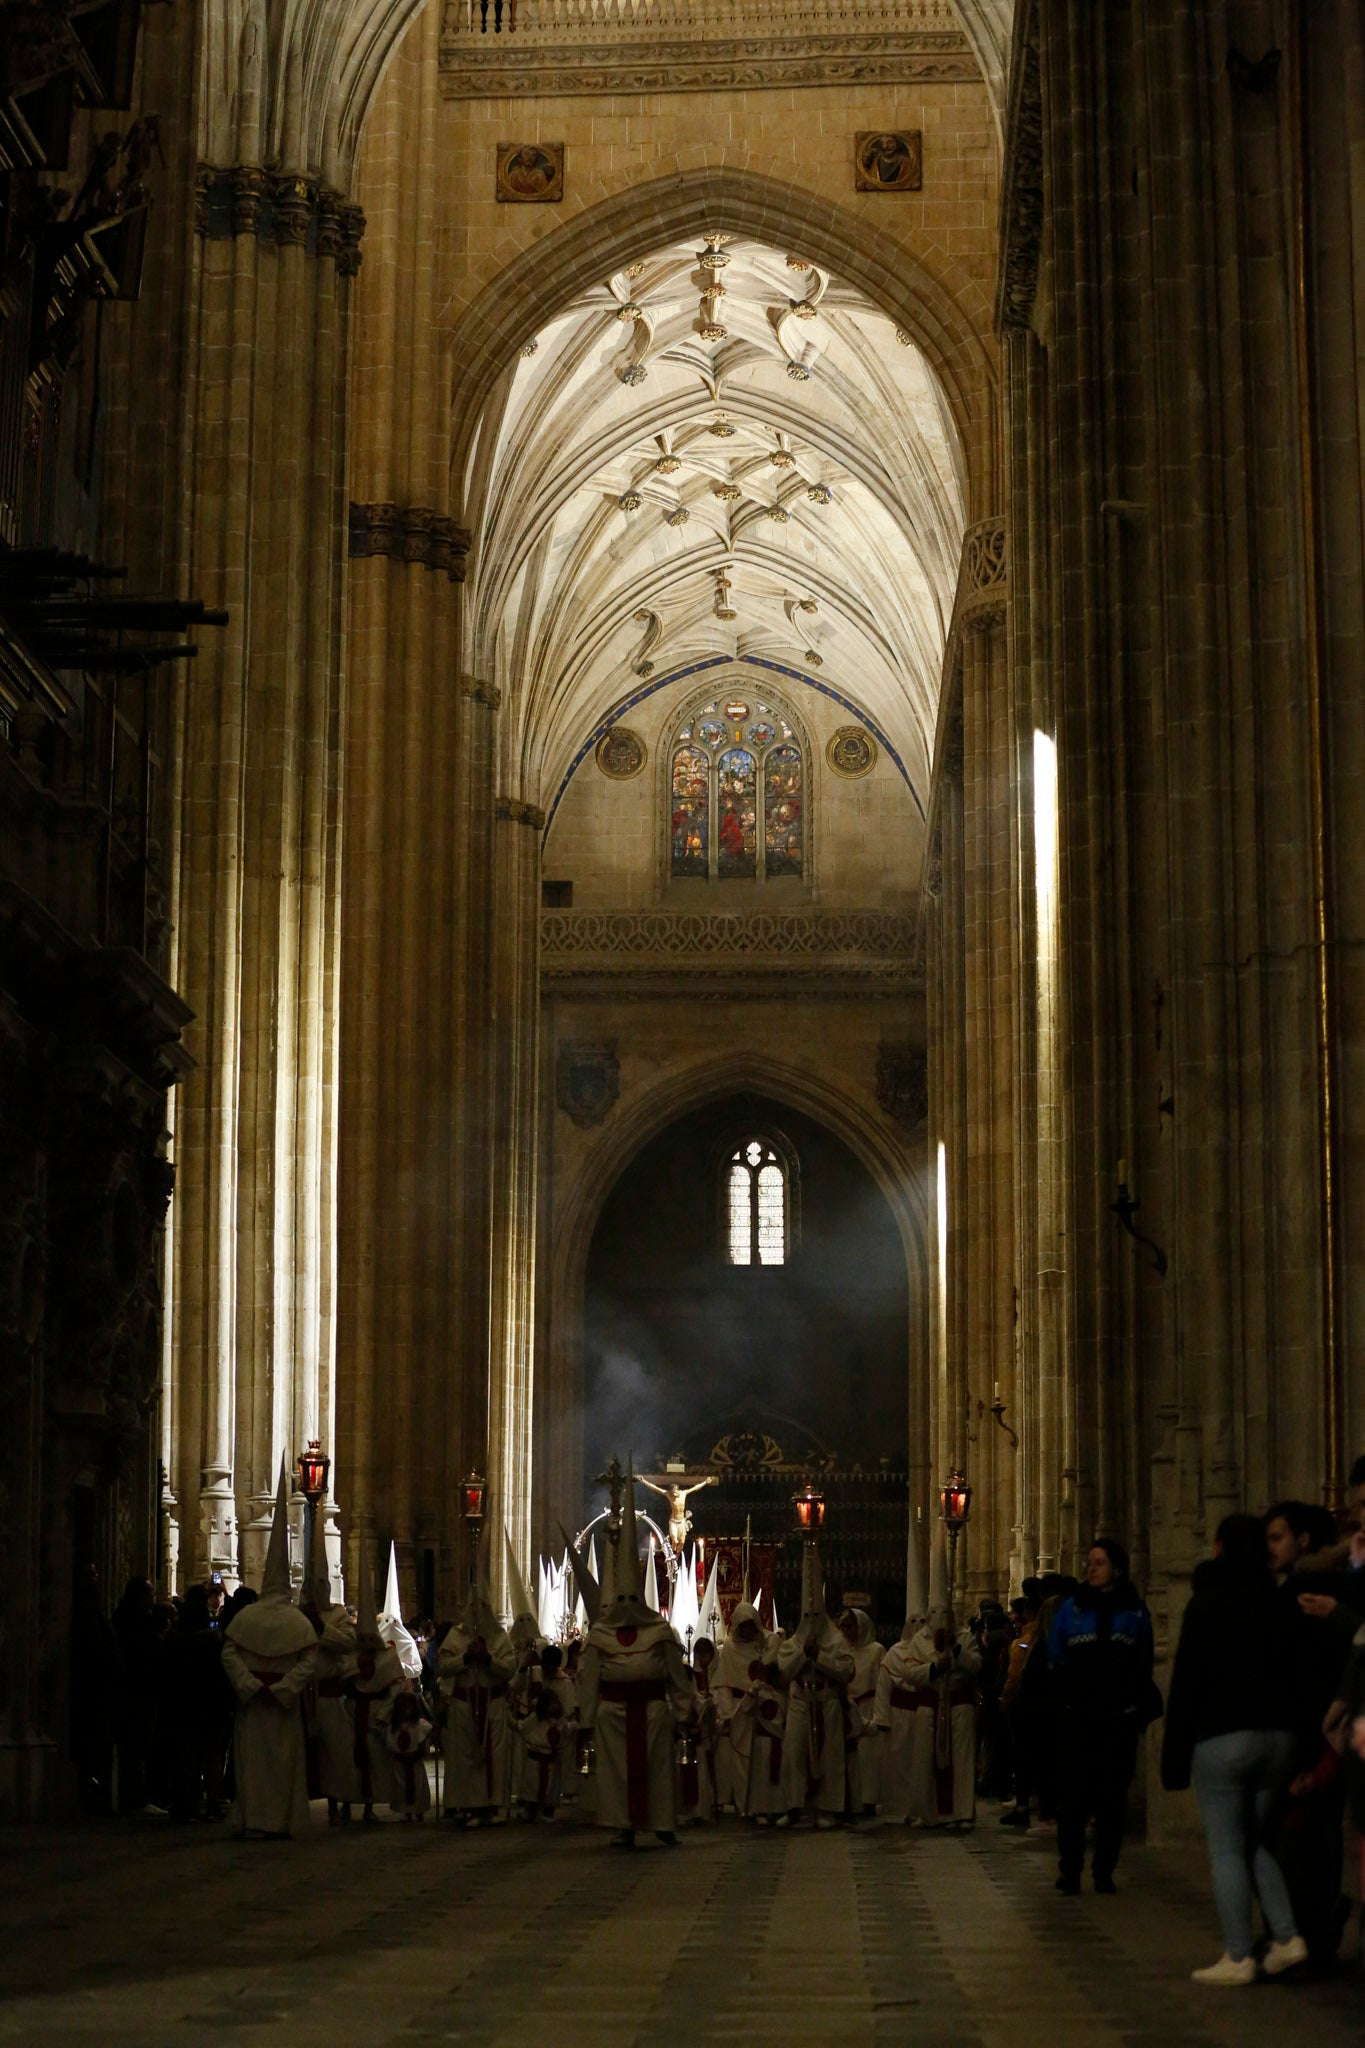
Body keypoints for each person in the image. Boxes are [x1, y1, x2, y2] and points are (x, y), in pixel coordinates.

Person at [1161, 1513, 1307, 1985]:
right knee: (1252, 1841)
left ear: (1221, 1547)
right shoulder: (1280, 1600)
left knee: (1226, 1848)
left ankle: (1239, 1954)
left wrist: (1174, 1755)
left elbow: (1186, 1684)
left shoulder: (1208, 1603)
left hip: (1224, 1737)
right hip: (1278, 1738)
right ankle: (1286, 1937)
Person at [576, 1467, 693, 1848]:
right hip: (613, 1717)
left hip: (653, 1712)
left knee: (656, 1771)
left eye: (631, 1598)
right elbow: (590, 1678)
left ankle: (662, 1823)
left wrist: (685, 1711)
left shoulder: (660, 1633)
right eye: (620, 1599)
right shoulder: (601, 1636)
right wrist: (585, 1718)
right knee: (618, 1773)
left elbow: (676, 1676)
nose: (625, 1605)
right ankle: (623, 1824)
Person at [1047, 1537, 1153, 1893]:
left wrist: (1132, 1706)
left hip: (1117, 1719)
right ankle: (1070, 1869)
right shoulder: (1072, 1609)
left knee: (1111, 1800)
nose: (1091, 1568)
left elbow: (1143, 1661)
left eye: (1099, 1563)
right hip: (1077, 1717)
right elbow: (1056, 1654)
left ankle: (1104, 1869)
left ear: (1117, 1569)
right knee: (1074, 1799)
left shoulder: (1134, 1611)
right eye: (1089, 1562)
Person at [220, 1463, 319, 1838]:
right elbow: (307, 1660)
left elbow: (230, 1653)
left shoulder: (247, 1618)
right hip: (279, 1704)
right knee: (277, 1765)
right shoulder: (296, 1624)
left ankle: (258, 1820)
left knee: (256, 1765)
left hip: (257, 1704)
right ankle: (276, 1821)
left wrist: (249, 1684)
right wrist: (283, 1687)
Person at [901, 1531, 982, 1830]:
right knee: (924, 1763)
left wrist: (956, 1652)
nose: (938, 1616)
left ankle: (960, 1813)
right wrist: (935, 1668)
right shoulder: (919, 1641)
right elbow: (910, 1672)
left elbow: (975, 1667)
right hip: (929, 1706)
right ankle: (930, 1812)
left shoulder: (965, 1637)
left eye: (943, 1611)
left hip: (958, 1705)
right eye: (933, 1611)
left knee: (960, 1762)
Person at [438, 1540, 517, 1825]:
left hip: (491, 1702)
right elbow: (444, 1666)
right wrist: (464, 1659)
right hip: (463, 1702)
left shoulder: (498, 1637)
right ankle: (464, 1803)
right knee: (463, 1756)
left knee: (492, 1755)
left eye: (482, 1606)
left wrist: (487, 1660)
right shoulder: (456, 1637)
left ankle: (490, 1805)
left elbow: (509, 1669)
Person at [777, 1543, 855, 1826]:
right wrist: (802, 1653)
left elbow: (846, 1670)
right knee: (794, 1754)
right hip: (801, 1701)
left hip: (827, 1703)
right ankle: (794, 1806)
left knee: (829, 1756)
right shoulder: (793, 1642)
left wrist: (818, 1656)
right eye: (807, 1617)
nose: (811, 1621)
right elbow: (784, 1672)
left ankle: (827, 1808)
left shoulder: (835, 1641)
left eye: (816, 1617)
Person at [161, 1582, 231, 1822]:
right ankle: (211, 1804)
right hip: (209, 1703)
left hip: (182, 1703)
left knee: (186, 1756)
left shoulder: (173, 1640)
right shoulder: (213, 1640)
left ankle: (186, 1804)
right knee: (211, 1756)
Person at [712, 1598, 771, 1811]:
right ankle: (743, 1804)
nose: (746, 1630)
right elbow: (724, 1683)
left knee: (762, 1759)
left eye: (750, 1625)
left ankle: (761, 1804)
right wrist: (727, 1714)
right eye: (743, 1625)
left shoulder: (765, 1646)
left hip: (762, 1708)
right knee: (741, 1760)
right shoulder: (729, 1649)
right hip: (739, 1710)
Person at [840, 1606, 884, 1817]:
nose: (847, 1631)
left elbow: (881, 1683)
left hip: (868, 1706)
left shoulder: (876, 1651)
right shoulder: (842, 1651)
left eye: (851, 1626)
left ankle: (868, 1799)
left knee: (868, 1756)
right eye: (844, 1627)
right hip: (848, 1708)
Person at [386, 1690, 433, 1822]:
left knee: (418, 1787)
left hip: (415, 1762)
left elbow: (424, 1739)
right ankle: (406, 1811)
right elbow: (391, 1744)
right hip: (400, 1763)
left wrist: (420, 1751)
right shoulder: (394, 1727)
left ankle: (418, 1810)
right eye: (401, 1707)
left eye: (407, 1707)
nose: (404, 1711)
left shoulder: (419, 1725)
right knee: (401, 1788)